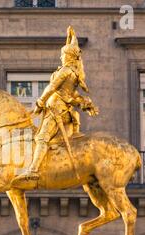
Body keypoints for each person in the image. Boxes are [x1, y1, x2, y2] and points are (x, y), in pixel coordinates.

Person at [16, 26, 99, 181]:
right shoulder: (73, 73)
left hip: (56, 109)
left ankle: (33, 169)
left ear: (68, 56)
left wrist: (40, 102)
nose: (61, 58)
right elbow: (72, 94)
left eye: (63, 55)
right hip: (62, 109)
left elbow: (52, 87)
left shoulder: (65, 71)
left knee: (42, 137)